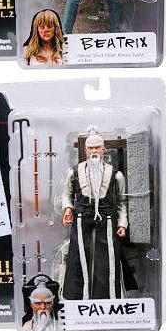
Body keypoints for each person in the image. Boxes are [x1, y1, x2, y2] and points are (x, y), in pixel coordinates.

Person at [61, 127, 127, 299]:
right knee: (78, 259)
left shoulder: (116, 175)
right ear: (86, 150)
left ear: (104, 149)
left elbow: (122, 202)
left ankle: (108, 299)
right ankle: (77, 299)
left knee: (107, 261)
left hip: (107, 222)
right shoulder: (74, 173)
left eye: (97, 147)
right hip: (81, 221)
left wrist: (122, 224)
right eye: (90, 148)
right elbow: (66, 195)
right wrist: (68, 209)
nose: (94, 151)